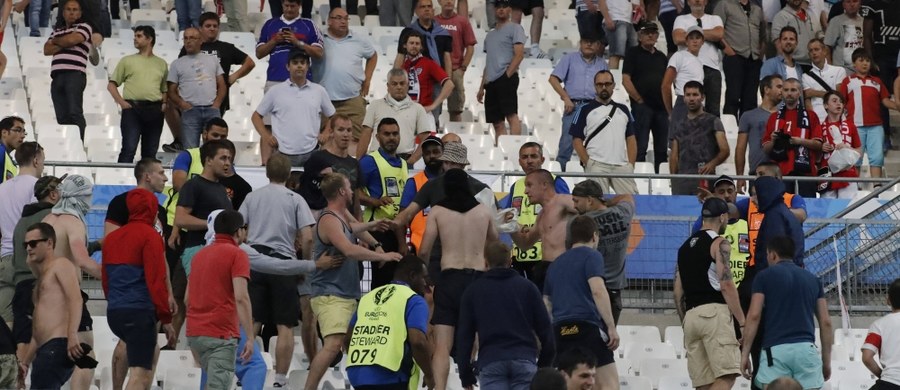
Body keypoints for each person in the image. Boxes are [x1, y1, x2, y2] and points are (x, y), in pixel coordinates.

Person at [304, 173, 402, 390]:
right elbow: (348, 249)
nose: (352, 191)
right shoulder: (329, 219)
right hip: (331, 294)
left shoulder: (339, 216)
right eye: (349, 187)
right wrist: (383, 256)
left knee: (348, 343)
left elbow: (353, 228)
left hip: (344, 293)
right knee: (333, 345)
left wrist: (373, 226)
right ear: (341, 191)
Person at [238, 153, 315, 387]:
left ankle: (244, 373)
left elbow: (238, 228)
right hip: (283, 263)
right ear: (289, 174)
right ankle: (280, 380)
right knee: (285, 325)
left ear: (267, 172)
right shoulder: (295, 199)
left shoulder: (253, 197)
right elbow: (308, 238)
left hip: (256, 260)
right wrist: (304, 263)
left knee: (253, 320)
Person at [417, 168, 498, 390]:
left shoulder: (438, 211)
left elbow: (424, 250)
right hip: (478, 280)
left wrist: (426, 276)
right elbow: (495, 243)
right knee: (476, 338)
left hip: (449, 279)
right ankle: (471, 385)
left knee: (443, 345)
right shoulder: (483, 211)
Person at [103, 158, 171, 389]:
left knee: (147, 355)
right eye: (161, 172)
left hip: (117, 308)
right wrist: (166, 315)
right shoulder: (146, 233)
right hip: (139, 306)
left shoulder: (113, 240)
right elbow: (155, 275)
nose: (165, 177)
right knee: (140, 374)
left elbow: (106, 274)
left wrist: (113, 297)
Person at [456, 241, 555, 389]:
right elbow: (546, 330)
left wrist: (465, 375)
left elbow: (465, 336)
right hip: (524, 359)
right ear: (510, 261)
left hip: (491, 361)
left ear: (485, 262)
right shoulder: (528, 288)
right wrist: (543, 366)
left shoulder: (473, 292)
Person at [739, 236, 833, 390]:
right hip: (806, 351)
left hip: (775, 351)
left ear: (772, 254)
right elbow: (826, 322)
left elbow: (754, 315)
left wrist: (745, 354)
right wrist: (826, 362)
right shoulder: (813, 280)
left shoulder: (763, 277)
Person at [673, 197, 745, 390]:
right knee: (728, 374)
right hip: (714, 313)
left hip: (690, 317)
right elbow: (727, 285)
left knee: (704, 384)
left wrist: (685, 321)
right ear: (722, 217)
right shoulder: (720, 243)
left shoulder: (684, 248)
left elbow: (677, 292)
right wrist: (742, 322)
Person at [40, 174, 102, 389]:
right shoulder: (73, 222)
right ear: (79, 197)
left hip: (44, 295)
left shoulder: (47, 220)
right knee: (85, 353)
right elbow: (83, 260)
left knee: (50, 351)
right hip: (67, 294)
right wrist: (112, 277)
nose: (90, 201)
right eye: (88, 196)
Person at [544, 215, 619, 390]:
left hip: (560, 331)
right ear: (594, 236)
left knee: (569, 385)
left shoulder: (555, 264)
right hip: (586, 327)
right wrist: (611, 327)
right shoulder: (592, 256)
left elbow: (546, 304)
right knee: (609, 385)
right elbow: (597, 290)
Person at [185, 210, 254, 389]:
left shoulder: (198, 256)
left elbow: (186, 298)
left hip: (195, 333)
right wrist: (251, 336)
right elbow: (241, 297)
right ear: (239, 231)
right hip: (220, 334)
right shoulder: (237, 255)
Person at [345, 255, 434, 390]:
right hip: (390, 375)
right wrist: (429, 374)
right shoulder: (414, 300)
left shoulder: (368, 297)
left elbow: (347, 339)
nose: (425, 284)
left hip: (357, 376)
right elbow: (418, 341)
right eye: (424, 278)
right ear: (412, 276)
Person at [20, 222, 85, 389]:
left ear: (49, 243)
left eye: (33, 243)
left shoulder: (61, 265)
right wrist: (26, 363)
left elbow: (76, 299)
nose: (28, 248)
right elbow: (38, 331)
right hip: (45, 349)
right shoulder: (41, 280)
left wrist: (72, 335)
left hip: (57, 346)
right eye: (25, 244)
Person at [11, 175, 62, 378]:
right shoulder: (53, 217)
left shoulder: (21, 222)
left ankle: (20, 381)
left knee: (22, 336)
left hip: (21, 283)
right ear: (52, 194)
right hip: (42, 283)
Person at [252, 49, 336, 167]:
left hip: (312, 152)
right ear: (288, 66)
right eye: (295, 63)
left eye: (303, 62)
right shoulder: (275, 91)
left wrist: (326, 133)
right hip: (282, 153)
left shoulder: (319, 90)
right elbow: (256, 116)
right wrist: (266, 136)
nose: (299, 66)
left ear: (308, 66)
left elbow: (333, 117)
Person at [501, 142, 569, 280]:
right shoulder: (516, 186)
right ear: (519, 161)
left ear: (542, 159)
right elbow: (510, 216)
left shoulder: (555, 182)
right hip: (521, 254)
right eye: (525, 157)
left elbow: (569, 213)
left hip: (548, 255)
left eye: (533, 156)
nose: (529, 160)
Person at [569, 180, 634, 325]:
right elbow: (628, 197)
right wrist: (608, 203)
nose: (574, 206)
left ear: (590, 200)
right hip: (615, 291)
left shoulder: (582, 223)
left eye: (577, 201)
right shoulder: (623, 212)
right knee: (608, 341)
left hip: (591, 289)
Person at [312, 7, 377, 143]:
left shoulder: (358, 40)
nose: (343, 21)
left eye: (346, 18)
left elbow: (373, 55)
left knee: (355, 139)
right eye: (338, 18)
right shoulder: (318, 39)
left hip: (352, 99)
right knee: (325, 141)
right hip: (324, 100)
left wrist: (368, 79)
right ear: (329, 21)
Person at [172, 139, 236, 277]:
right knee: (200, 296)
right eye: (223, 158)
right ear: (209, 160)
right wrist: (212, 223)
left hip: (218, 251)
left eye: (229, 159)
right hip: (198, 249)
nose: (228, 163)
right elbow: (181, 218)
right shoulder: (193, 185)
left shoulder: (222, 189)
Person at [570, 70, 638, 195]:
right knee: (597, 205)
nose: (604, 87)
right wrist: (588, 163)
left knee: (633, 204)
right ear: (595, 86)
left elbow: (631, 139)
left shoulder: (624, 109)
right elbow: (576, 139)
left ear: (614, 85)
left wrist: (630, 165)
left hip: (621, 166)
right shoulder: (584, 109)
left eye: (607, 83)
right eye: (600, 84)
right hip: (597, 165)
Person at [359, 118, 408, 289]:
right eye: (386, 134)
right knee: (382, 282)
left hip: (398, 230)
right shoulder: (369, 161)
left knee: (397, 282)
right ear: (378, 137)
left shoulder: (403, 164)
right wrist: (374, 201)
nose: (391, 138)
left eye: (395, 134)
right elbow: (352, 191)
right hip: (379, 230)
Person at [107, 25, 167, 163]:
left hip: (155, 109)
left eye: (139, 36)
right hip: (132, 109)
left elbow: (164, 88)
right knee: (128, 148)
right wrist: (122, 103)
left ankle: (147, 184)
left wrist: (164, 104)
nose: (135, 39)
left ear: (149, 39)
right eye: (135, 36)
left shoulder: (161, 63)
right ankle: (121, 181)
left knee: (150, 153)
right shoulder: (127, 60)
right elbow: (111, 84)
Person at [509, 169, 576, 289]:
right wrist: (511, 226)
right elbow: (525, 244)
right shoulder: (541, 215)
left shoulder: (563, 201)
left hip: (563, 268)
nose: (525, 191)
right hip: (546, 269)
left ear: (544, 185)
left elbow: (591, 208)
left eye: (529, 185)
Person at [549, 36, 608, 170]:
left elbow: (607, 86)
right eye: (585, 41)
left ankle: (595, 175)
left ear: (598, 45)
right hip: (574, 105)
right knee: (566, 144)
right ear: (580, 43)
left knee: (596, 144)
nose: (588, 43)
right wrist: (565, 98)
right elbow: (553, 79)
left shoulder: (602, 64)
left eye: (592, 41)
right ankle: (560, 178)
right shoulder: (569, 59)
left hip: (595, 106)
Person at [0, 142, 43, 325]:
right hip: (27, 259)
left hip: (5, 256)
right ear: (35, 160)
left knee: (5, 319)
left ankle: (7, 353)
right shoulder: (37, 188)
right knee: (31, 319)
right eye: (42, 160)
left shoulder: (2, 188)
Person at [839, 48, 897, 179]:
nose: (865, 63)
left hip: (876, 126)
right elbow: (841, 103)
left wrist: (897, 106)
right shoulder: (847, 81)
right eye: (861, 60)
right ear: (854, 63)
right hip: (855, 126)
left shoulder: (877, 81)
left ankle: (876, 188)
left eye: (867, 60)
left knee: (877, 157)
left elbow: (886, 101)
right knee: (855, 158)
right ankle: (855, 189)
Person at [357, 68, 434, 163]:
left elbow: (425, 140)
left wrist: (411, 161)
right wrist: (358, 162)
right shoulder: (375, 105)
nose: (399, 87)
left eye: (402, 83)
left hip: (404, 160)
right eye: (394, 84)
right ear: (388, 86)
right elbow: (366, 134)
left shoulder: (418, 109)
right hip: (376, 159)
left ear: (408, 85)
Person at [763, 77, 823, 197]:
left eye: (793, 90)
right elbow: (766, 149)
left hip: (805, 172)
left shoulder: (811, 116)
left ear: (799, 92)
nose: (789, 93)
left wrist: (800, 141)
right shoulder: (773, 117)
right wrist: (773, 140)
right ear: (782, 92)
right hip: (780, 173)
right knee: (782, 210)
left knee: (806, 209)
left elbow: (819, 145)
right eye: (786, 90)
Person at [167, 27, 226, 149]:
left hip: (212, 109)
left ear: (200, 41)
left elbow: (222, 84)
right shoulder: (176, 64)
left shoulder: (212, 60)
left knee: (216, 149)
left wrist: (217, 104)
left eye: (192, 38)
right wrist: (182, 105)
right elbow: (171, 91)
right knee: (190, 150)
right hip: (190, 111)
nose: (188, 41)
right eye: (186, 38)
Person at [668, 81, 730, 195]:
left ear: (702, 97)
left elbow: (725, 150)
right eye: (688, 95)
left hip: (705, 179)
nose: (691, 98)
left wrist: (712, 164)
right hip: (682, 181)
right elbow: (674, 156)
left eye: (695, 94)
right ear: (684, 98)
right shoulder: (677, 124)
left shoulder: (713, 121)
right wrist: (674, 179)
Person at [622, 21, 668, 172]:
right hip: (642, 107)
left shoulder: (662, 57)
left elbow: (667, 84)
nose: (650, 35)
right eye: (646, 32)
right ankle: (639, 179)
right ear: (639, 36)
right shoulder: (632, 53)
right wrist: (639, 100)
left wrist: (669, 107)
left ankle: (662, 180)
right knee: (640, 146)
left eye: (653, 32)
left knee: (662, 149)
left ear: (657, 36)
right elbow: (625, 79)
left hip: (661, 108)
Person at [45, 0, 92, 141]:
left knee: (74, 112)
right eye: (68, 9)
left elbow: (71, 40)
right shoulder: (57, 30)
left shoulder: (85, 27)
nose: (71, 12)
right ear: (63, 12)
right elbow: (46, 50)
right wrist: (66, 41)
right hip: (57, 76)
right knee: (61, 116)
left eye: (75, 9)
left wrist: (57, 41)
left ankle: (79, 143)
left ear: (80, 13)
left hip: (74, 75)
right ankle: (68, 142)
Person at [299, 114, 365, 216]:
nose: (345, 134)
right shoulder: (318, 158)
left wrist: (359, 223)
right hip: (323, 219)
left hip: (348, 224)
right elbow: (304, 191)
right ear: (331, 132)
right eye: (341, 130)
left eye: (349, 130)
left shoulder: (354, 163)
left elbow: (356, 202)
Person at [478, 0, 525, 138]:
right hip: (491, 81)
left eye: (504, 6)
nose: (501, 9)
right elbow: (489, 62)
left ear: (510, 9)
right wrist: (481, 87)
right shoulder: (490, 35)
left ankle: (515, 149)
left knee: (511, 115)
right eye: (498, 7)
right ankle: (502, 149)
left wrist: (507, 74)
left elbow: (519, 54)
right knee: (497, 121)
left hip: (505, 78)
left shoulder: (515, 28)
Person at [673, 0, 725, 116]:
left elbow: (719, 34)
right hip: (688, 68)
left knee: (713, 110)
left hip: (711, 68)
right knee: (688, 109)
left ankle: (712, 134)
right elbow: (677, 38)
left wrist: (691, 33)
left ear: (706, 2)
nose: (697, 1)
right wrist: (708, 35)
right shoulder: (681, 19)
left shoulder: (715, 18)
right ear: (688, 2)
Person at [714, 0, 764, 117]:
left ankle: (746, 132)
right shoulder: (724, 4)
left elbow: (762, 34)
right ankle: (730, 129)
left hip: (754, 59)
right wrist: (729, 52)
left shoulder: (757, 9)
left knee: (751, 99)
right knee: (733, 96)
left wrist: (759, 55)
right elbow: (717, 31)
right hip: (734, 57)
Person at [256, 0, 323, 85]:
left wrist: (297, 42)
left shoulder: (309, 24)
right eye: (286, 6)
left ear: (299, 6)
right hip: (274, 79)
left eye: (292, 6)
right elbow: (258, 54)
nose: (289, 9)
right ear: (282, 5)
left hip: (302, 81)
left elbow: (319, 53)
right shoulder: (270, 24)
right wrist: (274, 41)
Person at [862, 0, 900, 151]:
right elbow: (866, 35)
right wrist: (871, 60)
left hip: (899, 56)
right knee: (881, 97)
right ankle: (884, 135)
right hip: (881, 58)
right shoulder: (874, 4)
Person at [736, 75, 783, 193]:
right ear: (766, 89)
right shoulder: (748, 116)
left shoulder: (786, 115)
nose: (782, 90)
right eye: (778, 86)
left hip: (781, 173)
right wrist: (740, 176)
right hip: (757, 173)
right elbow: (740, 148)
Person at [750, 176, 805, 274]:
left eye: (756, 194)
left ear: (765, 193)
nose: (752, 200)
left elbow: (776, 253)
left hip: (777, 276)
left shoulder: (774, 216)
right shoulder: (782, 212)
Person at [398, 135, 443, 253]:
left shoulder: (451, 181)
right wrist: (402, 245)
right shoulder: (413, 183)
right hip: (419, 250)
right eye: (427, 153)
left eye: (436, 152)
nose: (432, 156)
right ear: (422, 156)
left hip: (448, 251)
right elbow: (402, 217)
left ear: (444, 153)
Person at [434, 0, 477, 122]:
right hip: (437, 71)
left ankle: (455, 138)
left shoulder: (462, 21)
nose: (449, 1)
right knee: (434, 108)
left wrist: (462, 68)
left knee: (455, 110)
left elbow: (470, 46)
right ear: (439, 1)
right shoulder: (434, 21)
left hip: (455, 70)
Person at [399, 31, 454, 125]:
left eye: (417, 44)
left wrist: (433, 106)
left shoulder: (429, 63)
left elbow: (449, 84)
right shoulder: (403, 67)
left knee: (427, 140)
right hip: (406, 114)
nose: (414, 46)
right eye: (411, 43)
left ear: (421, 47)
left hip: (424, 113)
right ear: (405, 45)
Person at [818, 92, 862, 199]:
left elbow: (859, 151)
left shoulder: (851, 126)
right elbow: (814, 153)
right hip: (826, 173)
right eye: (834, 101)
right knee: (828, 210)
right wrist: (821, 147)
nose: (839, 104)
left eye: (841, 102)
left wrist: (847, 148)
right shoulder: (819, 127)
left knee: (848, 209)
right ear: (825, 105)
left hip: (848, 173)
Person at [662, 25, 705, 127]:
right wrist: (670, 111)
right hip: (683, 101)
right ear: (686, 42)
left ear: (702, 42)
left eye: (697, 38)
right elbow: (665, 85)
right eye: (691, 38)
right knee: (677, 140)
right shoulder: (679, 56)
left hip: (698, 103)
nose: (694, 41)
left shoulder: (700, 62)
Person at [861, 278, 900, 390]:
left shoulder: (879, 325)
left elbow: (867, 357)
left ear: (888, 300)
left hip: (889, 382)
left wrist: (882, 375)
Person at [395, 0, 453, 75]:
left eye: (429, 6)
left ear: (433, 10)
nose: (427, 9)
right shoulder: (407, 32)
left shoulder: (443, 33)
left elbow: (447, 59)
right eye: (423, 7)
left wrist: (448, 79)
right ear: (416, 11)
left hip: (439, 78)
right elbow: (401, 56)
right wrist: (395, 76)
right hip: (415, 77)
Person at [802, 38, 848, 122]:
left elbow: (839, 95)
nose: (814, 53)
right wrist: (812, 120)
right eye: (811, 51)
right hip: (817, 119)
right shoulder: (805, 76)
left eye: (816, 49)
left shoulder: (839, 70)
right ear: (809, 54)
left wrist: (814, 93)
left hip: (837, 118)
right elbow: (807, 99)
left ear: (824, 51)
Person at [771, 0, 815, 65]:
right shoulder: (781, 16)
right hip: (793, 64)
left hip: (810, 64)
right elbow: (778, 43)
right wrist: (788, 66)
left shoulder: (807, 16)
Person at [824, 0, 864, 70]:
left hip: (861, 69)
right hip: (841, 70)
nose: (852, 4)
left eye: (855, 1)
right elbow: (827, 46)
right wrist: (829, 69)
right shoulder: (835, 21)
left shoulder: (864, 21)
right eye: (848, 1)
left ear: (860, 3)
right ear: (843, 5)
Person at [598, 0, 638, 69]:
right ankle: (612, 78)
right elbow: (601, 2)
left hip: (629, 21)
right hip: (615, 19)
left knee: (634, 54)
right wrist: (607, 18)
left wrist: (637, 8)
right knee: (616, 54)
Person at [0, 117, 26, 183]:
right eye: (18, 130)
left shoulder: (7, 158)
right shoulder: (1, 152)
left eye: (24, 132)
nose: (23, 136)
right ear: (4, 133)